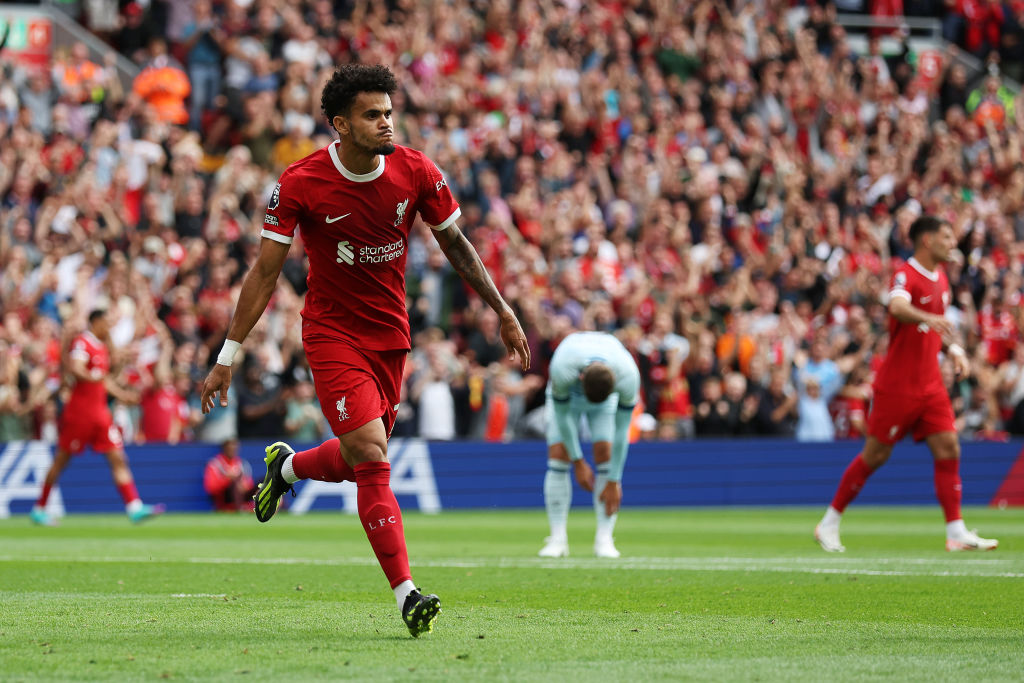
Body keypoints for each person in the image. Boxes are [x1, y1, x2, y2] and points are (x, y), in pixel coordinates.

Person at [200, 64, 530, 638]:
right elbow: (263, 273)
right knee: (373, 455)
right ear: (341, 124)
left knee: (358, 459)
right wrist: (228, 353)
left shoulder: (415, 170)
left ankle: (289, 466)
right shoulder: (301, 183)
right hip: (331, 335)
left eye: (388, 112)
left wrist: (501, 309)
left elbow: (456, 243)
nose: (386, 123)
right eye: (373, 115)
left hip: (391, 339)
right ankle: (407, 594)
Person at [815, 216, 998, 553]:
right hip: (897, 387)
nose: (952, 242)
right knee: (875, 455)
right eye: (946, 236)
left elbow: (936, 329)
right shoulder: (906, 272)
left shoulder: (942, 278)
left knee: (949, 449)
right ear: (927, 240)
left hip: (930, 386)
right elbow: (897, 307)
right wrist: (928, 318)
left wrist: (954, 349)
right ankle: (829, 522)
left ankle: (955, 531)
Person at [30, 310, 164, 526]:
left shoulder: (101, 347)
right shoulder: (83, 342)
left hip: (100, 414)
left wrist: (123, 395)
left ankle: (134, 507)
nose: (109, 327)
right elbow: (76, 367)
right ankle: (40, 508)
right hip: (80, 413)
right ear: (96, 322)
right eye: (106, 323)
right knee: (61, 460)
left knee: (118, 457)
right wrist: (93, 376)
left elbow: (103, 381)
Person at [538, 331, 641, 559]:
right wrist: (578, 461)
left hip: (604, 403)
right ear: (581, 378)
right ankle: (557, 539)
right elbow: (563, 418)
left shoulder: (628, 375)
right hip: (568, 398)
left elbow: (623, 433)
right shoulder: (562, 367)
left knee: (605, 452)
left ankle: (604, 540)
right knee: (558, 454)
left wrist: (614, 480)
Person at [203, 438, 255, 512]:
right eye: (230, 448)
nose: (233, 450)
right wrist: (227, 480)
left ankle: (268, 507)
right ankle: (240, 509)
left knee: (264, 483)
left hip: (243, 495)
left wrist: (243, 486)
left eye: (235, 448)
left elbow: (249, 484)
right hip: (224, 498)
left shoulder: (242, 464)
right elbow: (210, 487)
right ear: (224, 448)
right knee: (234, 483)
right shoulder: (215, 464)